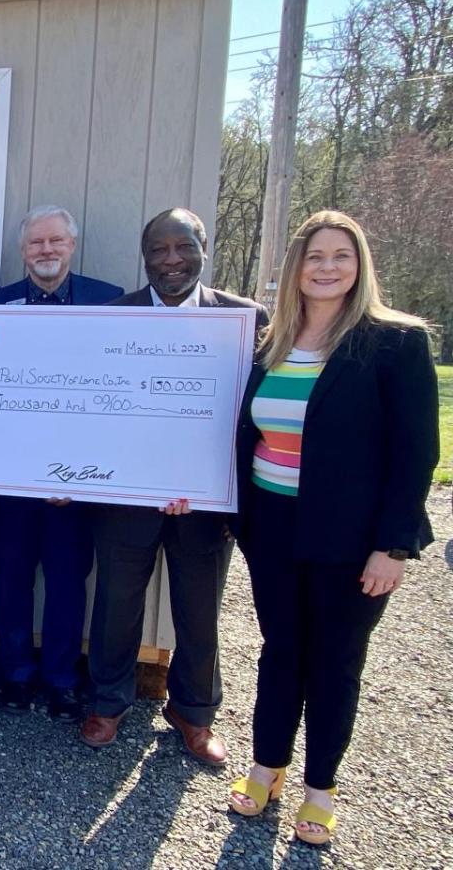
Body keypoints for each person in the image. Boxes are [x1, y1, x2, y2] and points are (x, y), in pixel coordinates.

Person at [228, 211, 438, 845]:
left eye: (340, 255)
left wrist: (393, 545)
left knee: (336, 660)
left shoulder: (393, 343)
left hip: (350, 539)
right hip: (272, 525)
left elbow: (416, 452)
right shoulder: (271, 341)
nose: (326, 267)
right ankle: (268, 767)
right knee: (281, 650)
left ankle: (320, 789)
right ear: (296, 267)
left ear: (359, 264)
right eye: (314, 255)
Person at [80, 208, 266, 764]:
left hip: (205, 503)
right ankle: (108, 702)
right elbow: (91, 410)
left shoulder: (246, 320)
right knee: (115, 605)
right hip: (126, 499)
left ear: (204, 249)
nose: (171, 260)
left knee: (199, 608)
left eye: (182, 247)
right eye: (158, 250)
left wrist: (225, 488)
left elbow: (254, 417)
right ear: (145, 258)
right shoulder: (112, 318)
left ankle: (194, 711)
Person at [0, 206, 123, 718]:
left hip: (76, 483)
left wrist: (85, 474)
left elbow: (117, 398)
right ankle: (15, 675)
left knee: (66, 583)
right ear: (23, 252)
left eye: (55, 241)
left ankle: (63, 677)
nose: (46, 250)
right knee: (12, 580)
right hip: (11, 482)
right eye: (36, 243)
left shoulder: (111, 303)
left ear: (72, 245)